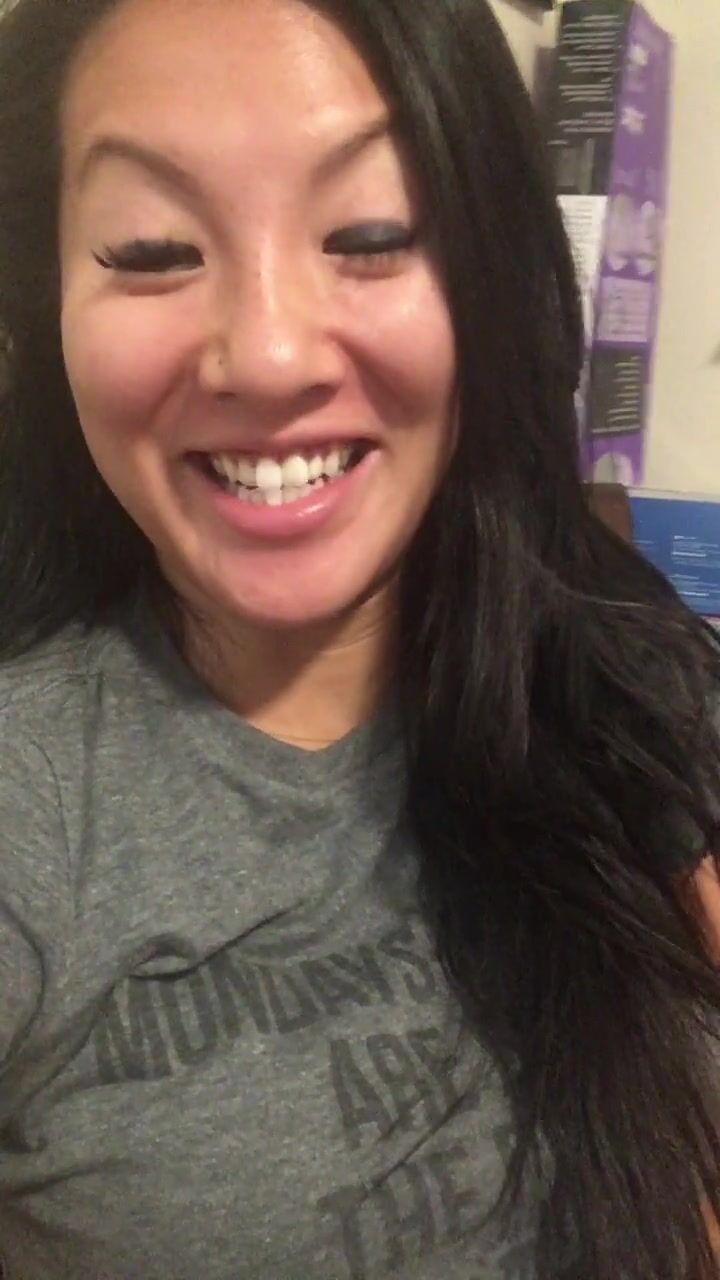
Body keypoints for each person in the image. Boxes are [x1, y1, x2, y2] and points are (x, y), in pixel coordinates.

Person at [0, 0, 718, 1277]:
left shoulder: (624, 666)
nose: (270, 355)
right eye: (153, 249)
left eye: (373, 236)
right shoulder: (32, 800)